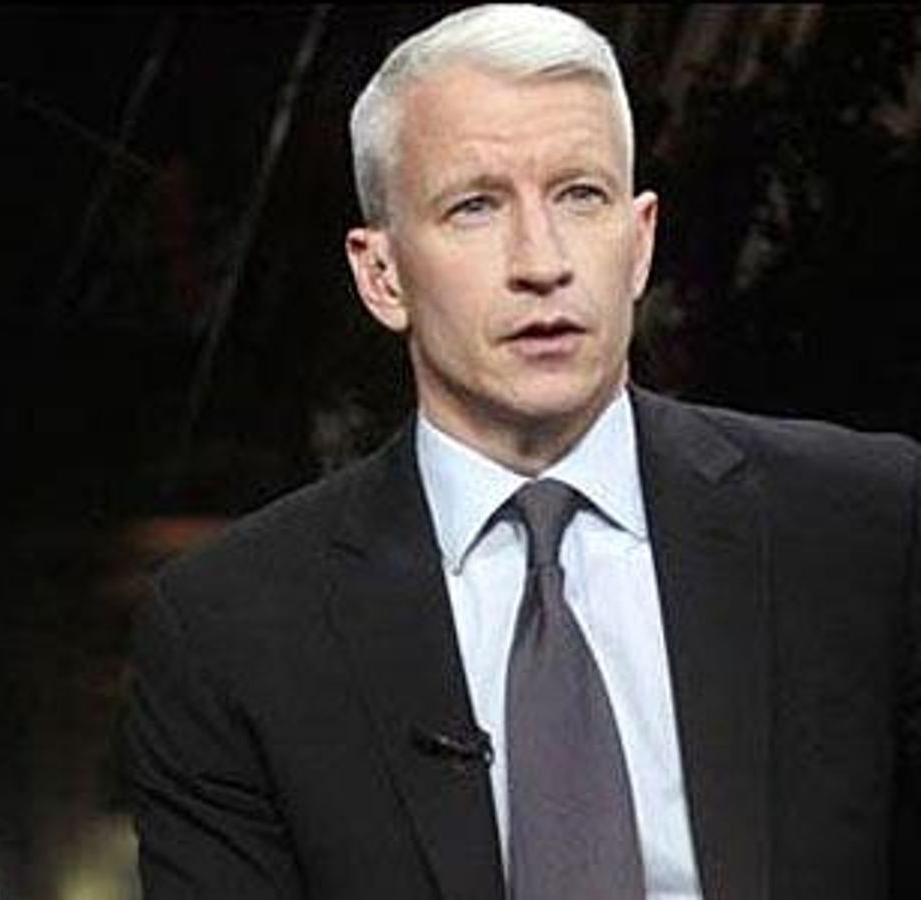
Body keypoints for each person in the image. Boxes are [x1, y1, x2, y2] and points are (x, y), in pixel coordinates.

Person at [126, 5, 921, 899]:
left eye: (580, 196)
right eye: (475, 206)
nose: (542, 262)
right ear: (382, 276)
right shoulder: (232, 629)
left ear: (640, 243)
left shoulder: (867, 526)